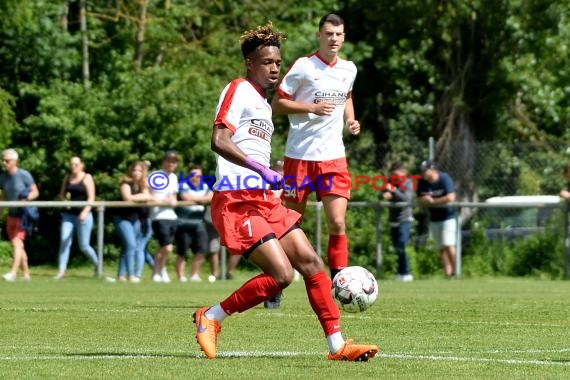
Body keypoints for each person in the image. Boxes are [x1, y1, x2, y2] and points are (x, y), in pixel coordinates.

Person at [192, 21, 378, 361]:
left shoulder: (264, 105)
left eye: (278, 62)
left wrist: (271, 175)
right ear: (250, 63)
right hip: (237, 200)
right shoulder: (238, 89)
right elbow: (219, 140)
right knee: (281, 275)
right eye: (267, 62)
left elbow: (252, 149)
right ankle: (212, 316)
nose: (275, 67)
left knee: (311, 262)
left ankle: (338, 346)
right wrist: (262, 170)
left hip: (265, 200)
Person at [271, 13, 359, 280]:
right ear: (319, 35)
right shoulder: (303, 66)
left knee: (338, 222)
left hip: (333, 157)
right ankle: (277, 279)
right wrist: (311, 107)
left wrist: (351, 120)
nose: (334, 39)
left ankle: (339, 283)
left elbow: (347, 96)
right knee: (289, 224)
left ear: (344, 37)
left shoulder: (349, 69)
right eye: (329, 34)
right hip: (299, 157)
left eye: (338, 34)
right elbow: (277, 104)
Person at [54, 156, 98, 280]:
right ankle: (61, 271)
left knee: (84, 245)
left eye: (76, 164)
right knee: (64, 240)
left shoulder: (87, 177)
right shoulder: (67, 178)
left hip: (84, 215)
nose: (74, 166)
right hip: (69, 215)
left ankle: (98, 266)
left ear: (81, 165)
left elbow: (91, 197)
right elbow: (61, 195)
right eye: (72, 164)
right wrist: (65, 201)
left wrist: (85, 211)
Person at [0, 149, 39, 282]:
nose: (4, 163)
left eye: (7, 160)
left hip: (23, 215)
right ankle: (26, 274)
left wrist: (26, 199)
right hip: (11, 214)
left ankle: (13, 273)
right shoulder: (3, 177)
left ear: (15, 162)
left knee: (17, 244)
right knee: (18, 246)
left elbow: (35, 192)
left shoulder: (24, 175)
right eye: (3, 160)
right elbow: (4, 196)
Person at [175, 164, 217, 282]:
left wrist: (196, 199)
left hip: (198, 223)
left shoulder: (205, 186)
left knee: (201, 250)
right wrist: (201, 199)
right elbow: (185, 197)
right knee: (182, 252)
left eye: (199, 175)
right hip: (183, 223)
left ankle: (194, 275)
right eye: (194, 175)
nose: (196, 177)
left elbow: (211, 197)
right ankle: (181, 277)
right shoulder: (183, 185)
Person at [416, 160, 457, 278]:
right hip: (434, 218)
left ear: (433, 170)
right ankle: (448, 274)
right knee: (440, 247)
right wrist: (425, 201)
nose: (423, 173)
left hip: (448, 218)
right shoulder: (422, 182)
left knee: (448, 244)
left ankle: (456, 272)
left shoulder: (444, 178)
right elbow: (419, 199)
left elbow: (451, 197)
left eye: (425, 170)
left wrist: (433, 202)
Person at [113, 161, 153, 283]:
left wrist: (140, 197)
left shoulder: (143, 185)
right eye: (135, 170)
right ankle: (131, 275)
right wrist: (142, 197)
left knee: (127, 247)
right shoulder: (125, 183)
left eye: (140, 171)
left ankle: (120, 275)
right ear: (130, 171)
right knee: (131, 245)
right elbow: (127, 198)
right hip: (122, 218)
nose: (137, 173)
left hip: (136, 218)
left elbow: (148, 196)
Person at [149, 151, 179, 283]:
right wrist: (164, 201)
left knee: (163, 248)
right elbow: (149, 195)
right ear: (164, 162)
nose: (171, 164)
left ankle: (158, 270)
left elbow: (173, 195)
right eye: (169, 161)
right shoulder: (155, 176)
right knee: (167, 247)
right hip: (158, 216)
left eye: (174, 162)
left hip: (171, 216)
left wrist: (172, 200)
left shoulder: (174, 177)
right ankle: (159, 270)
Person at [381, 162, 414, 282]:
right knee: (397, 247)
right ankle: (401, 272)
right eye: (393, 175)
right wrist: (385, 194)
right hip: (393, 220)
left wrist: (394, 191)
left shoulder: (408, 183)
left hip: (405, 219)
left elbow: (407, 199)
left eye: (398, 174)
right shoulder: (389, 182)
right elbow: (382, 193)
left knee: (402, 244)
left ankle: (406, 272)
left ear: (403, 173)